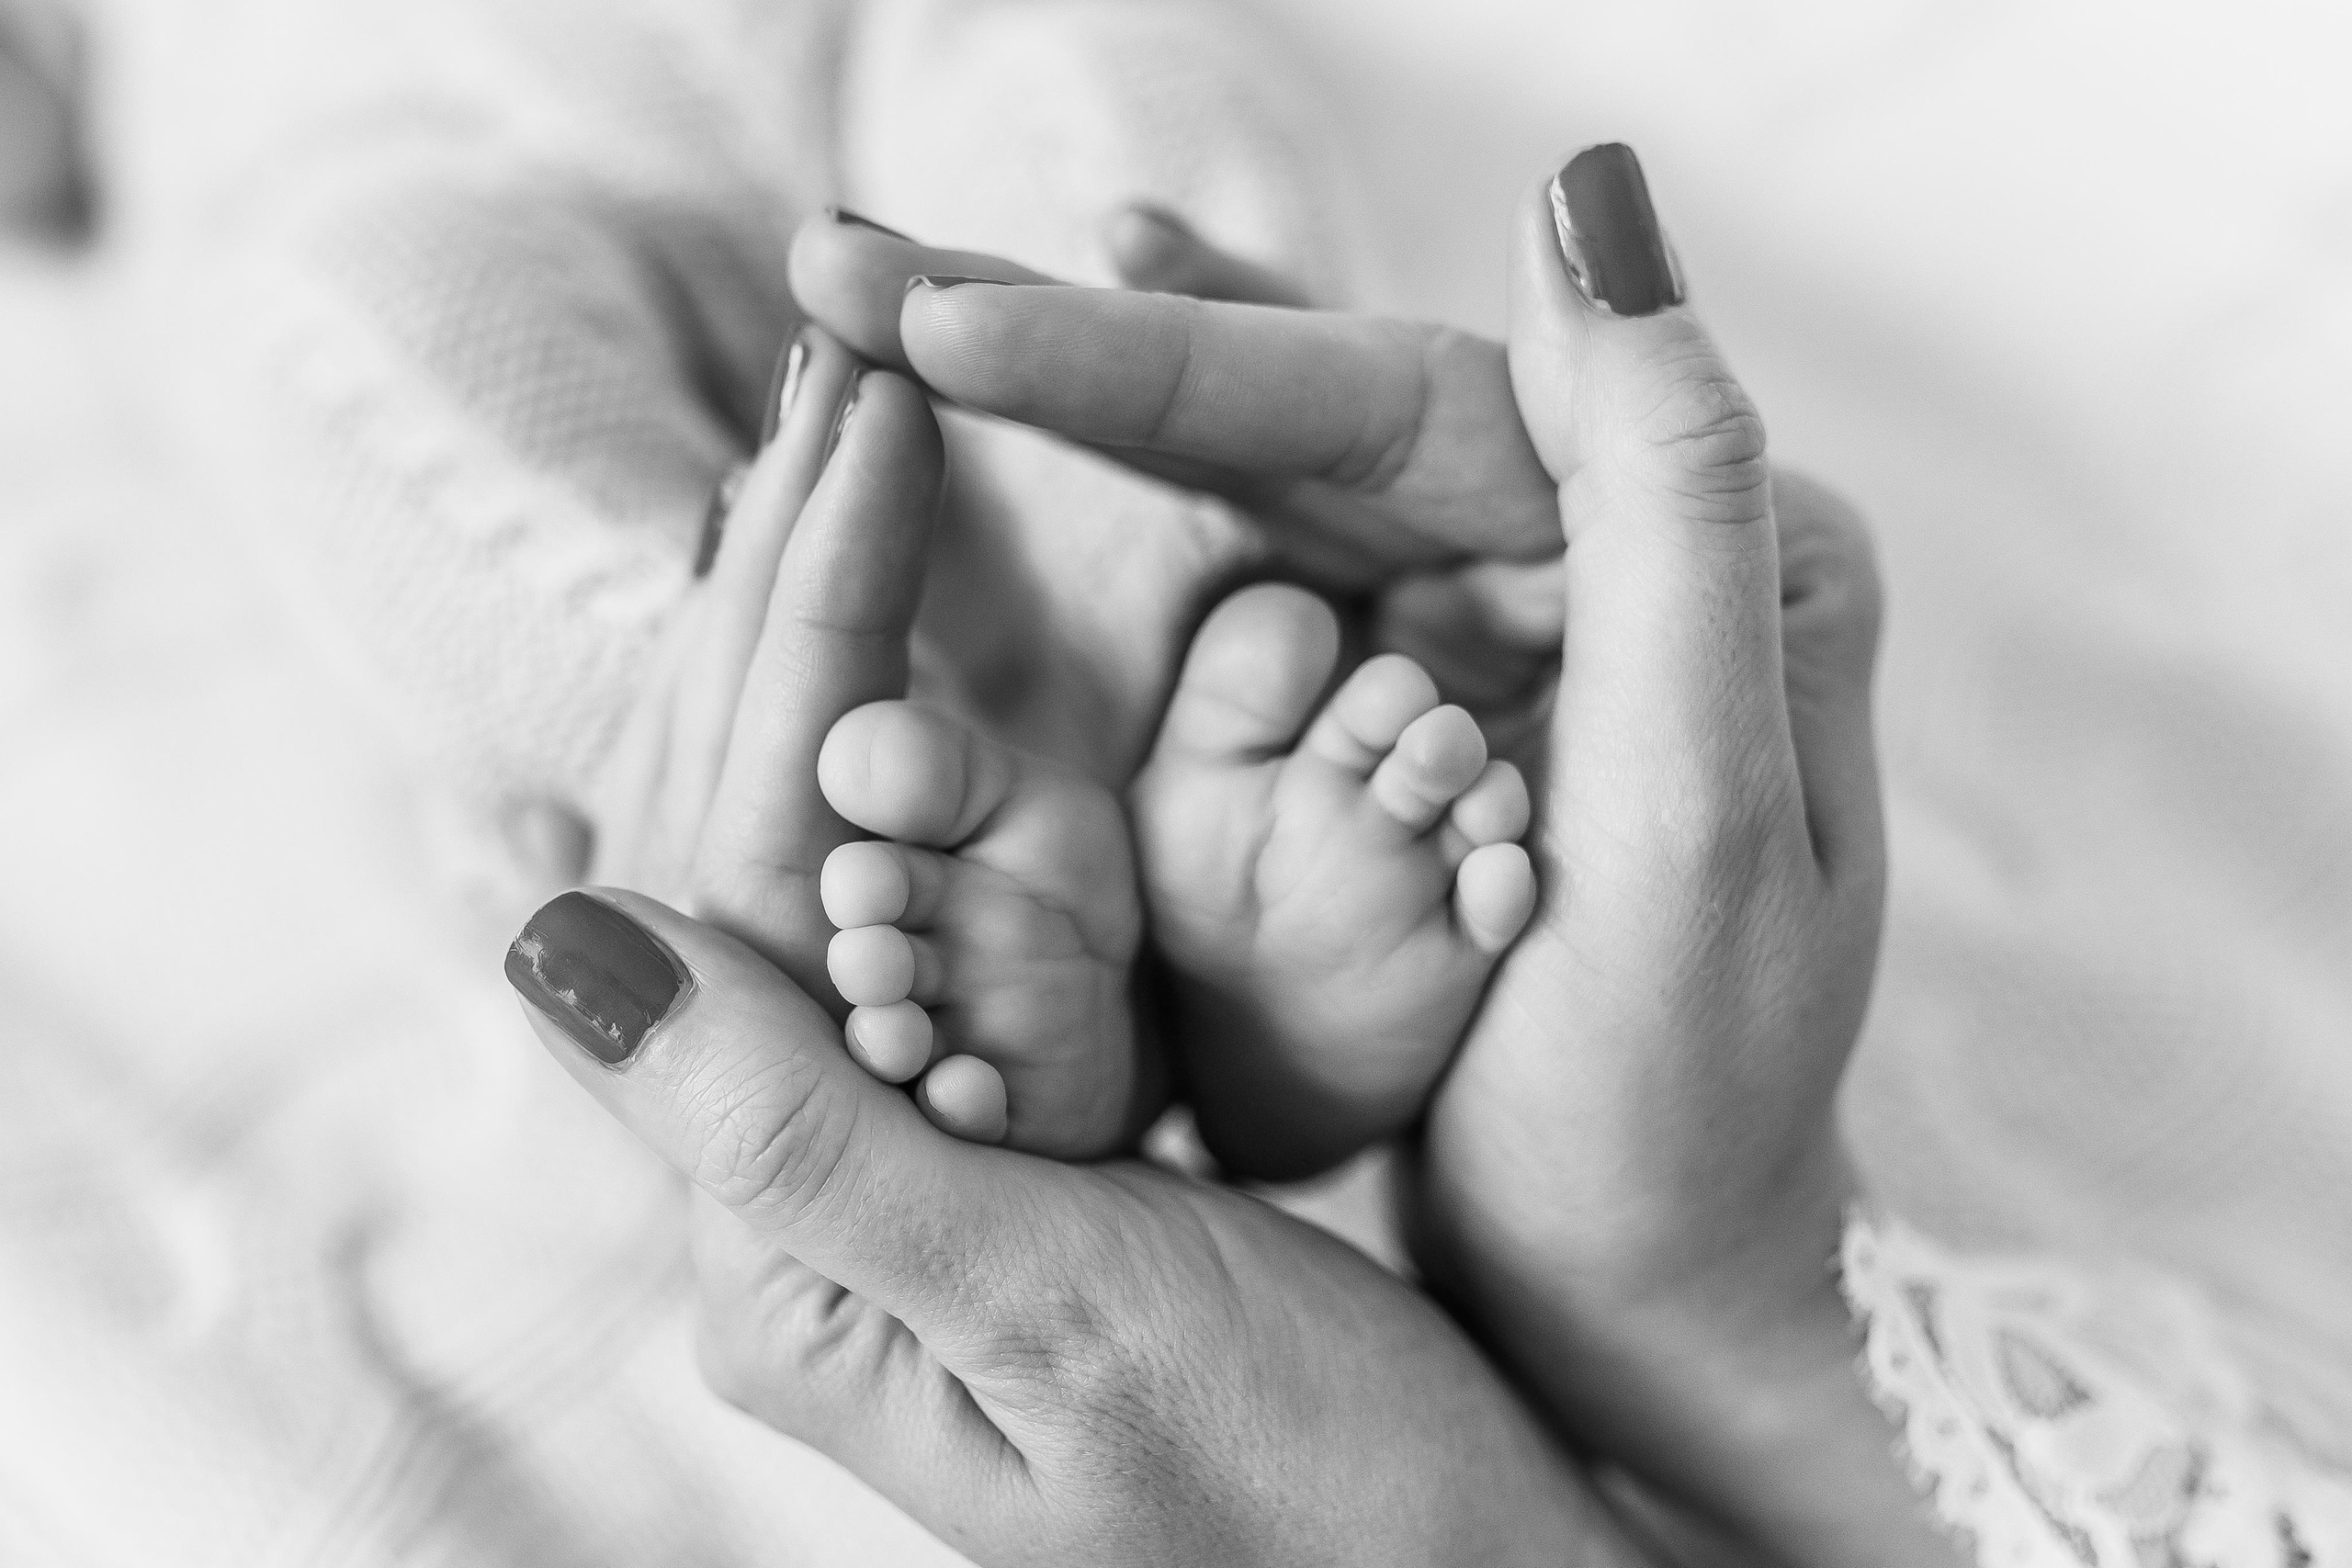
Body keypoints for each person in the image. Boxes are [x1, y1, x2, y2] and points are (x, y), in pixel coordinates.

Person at [509, 147, 1976, 1566]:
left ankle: (1197, 985)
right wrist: (1679, 1295)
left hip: (1112, 583)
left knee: (390, 306)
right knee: (1117, 195)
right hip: (1215, 519)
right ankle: (1221, 962)